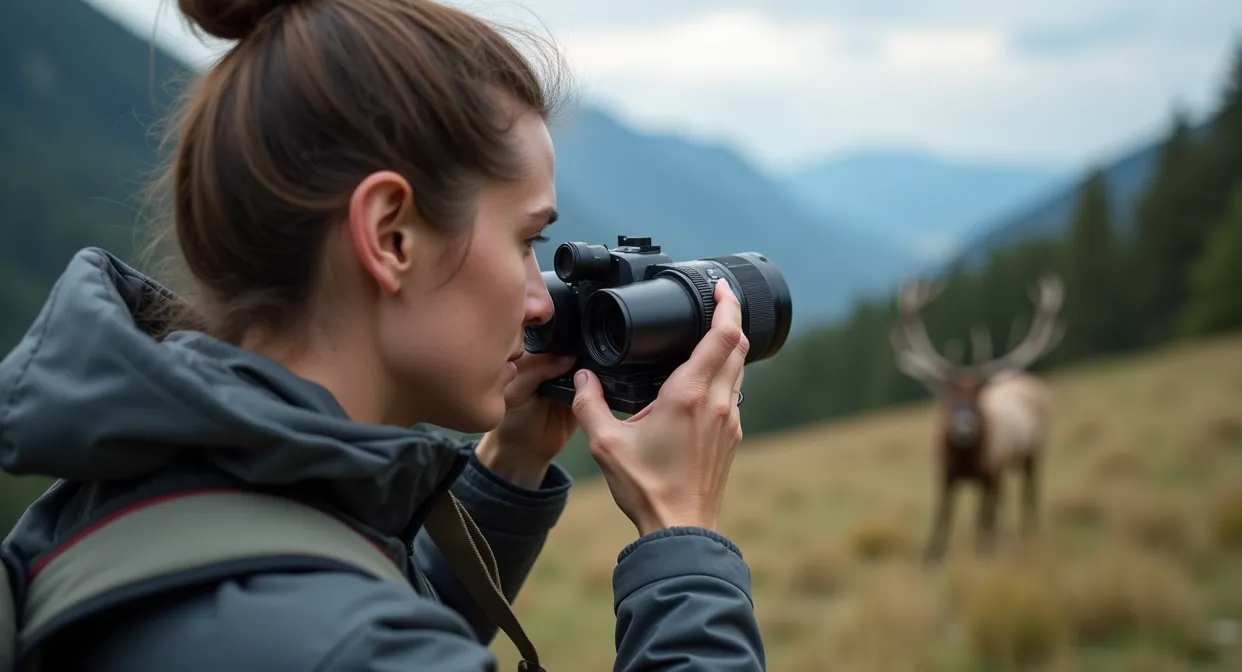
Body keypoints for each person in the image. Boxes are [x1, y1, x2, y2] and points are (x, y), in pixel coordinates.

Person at [0, 0, 766, 670]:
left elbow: (361, 601)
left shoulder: (118, 499)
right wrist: (680, 537)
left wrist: (511, 466)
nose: (539, 302)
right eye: (525, 242)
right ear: (390, 236)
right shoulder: (330, 639)